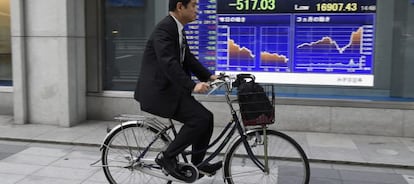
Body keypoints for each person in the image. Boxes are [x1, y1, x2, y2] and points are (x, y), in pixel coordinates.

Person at [133, 0, 222, 180]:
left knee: (207, 118)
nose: (197, 10)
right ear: (180, 7)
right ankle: (167, 158)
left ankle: (196, 165)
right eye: (194, 6)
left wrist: (210, 77)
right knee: (199, 119)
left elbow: (188, 59)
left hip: (171, 91)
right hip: (159, 93)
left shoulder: (177, 29)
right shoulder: (164, 30)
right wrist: (192, 85)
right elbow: (169, 63)